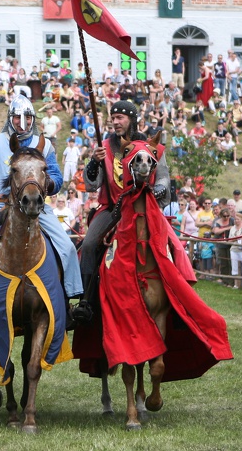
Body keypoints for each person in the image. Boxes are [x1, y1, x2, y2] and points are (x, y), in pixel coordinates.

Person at [0, 95, 81, 335]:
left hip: (35, 204)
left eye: (28, 117)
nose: (23, 123)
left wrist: (40, 187)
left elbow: (57, 178)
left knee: (67, 247)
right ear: (10, 119)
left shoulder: (46, 145)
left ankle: (66, 301)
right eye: (18, 118)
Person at [76, 100, 172, 323]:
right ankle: (86, 301)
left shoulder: (150, 145)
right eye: (113, 117)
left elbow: (165, 178)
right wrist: (93, 162)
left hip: (144, 206)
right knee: (89, 244)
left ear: (132, 119)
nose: (115, 122)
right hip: (113, 209)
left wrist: (154, 192)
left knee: (172, 245)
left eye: (120, 118)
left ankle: (177, 293)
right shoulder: (104, 147)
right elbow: (91, 185)